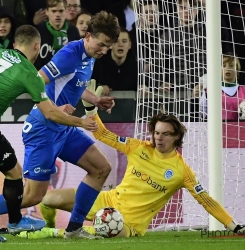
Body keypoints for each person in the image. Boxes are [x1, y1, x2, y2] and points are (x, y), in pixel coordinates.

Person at [0, 11, 120, 240]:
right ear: (88, 35)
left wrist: (94, 99)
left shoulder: (90, 55)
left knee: (100, 168)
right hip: (43, 128)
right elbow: (36, 80)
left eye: (108, 47)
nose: (103, 51)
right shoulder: (69, 54)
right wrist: (54, 106)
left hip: (63, 129)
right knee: (33, 196)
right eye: (101, 44)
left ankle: (74, 229)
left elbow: (74, 83)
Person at [17, 83, 245, 238]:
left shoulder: (181, 171)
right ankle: (41, 222)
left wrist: (232, 225)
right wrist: (90, 110)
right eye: (157, 133)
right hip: (106, 200)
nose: (159, 138)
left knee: (103, 231)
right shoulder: (139, 147)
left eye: (165, 134)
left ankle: (50, 233)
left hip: (129, 224)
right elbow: (103, 135)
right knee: (46, 198)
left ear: (176, 137)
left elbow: (206, 201)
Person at [193, 53, 245, 121]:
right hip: (217, 131)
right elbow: (202, 115)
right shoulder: (209, 91)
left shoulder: (243, 90)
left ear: (237, 70)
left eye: (231, 65)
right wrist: (195, 97)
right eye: (224, 65)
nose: (227, 69)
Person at [33, 0, 81, 69]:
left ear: (65, 11)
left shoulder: (73, 31)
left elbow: (78, 57)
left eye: (61, 11)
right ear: (46, 12)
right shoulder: (38, 31)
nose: (58, 15)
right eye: (54, 11)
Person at [92, 27, 138, 96]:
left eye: (124, 41)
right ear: (110, 45)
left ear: (129, 45)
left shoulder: (137, 66)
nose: (120, 45)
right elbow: (86, 86)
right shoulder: (98, 64)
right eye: (116, 41)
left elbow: (145, 86)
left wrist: (143, 87)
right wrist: (99, 88)